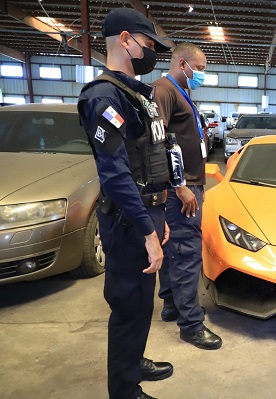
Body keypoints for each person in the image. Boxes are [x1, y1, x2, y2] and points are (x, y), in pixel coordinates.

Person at [78, 7, 175, 399]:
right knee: (128, 306)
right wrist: (146, 228)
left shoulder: (136, 93)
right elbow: (116, 175)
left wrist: (158, 215)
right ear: (125, 40)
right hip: (127, 222)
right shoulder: (104, 96)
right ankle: (124, 388)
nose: (151, 51)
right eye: (147, 44)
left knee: (141, 302)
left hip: (145, 213)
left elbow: (149, 157)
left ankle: (133, 361)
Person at [152, 43, 222, 350]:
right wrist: (178, 185)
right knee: (185, 254)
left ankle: (171, 304)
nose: (202, 75)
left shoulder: (180, 92)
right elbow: (158, 142)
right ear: (183, 64)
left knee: (174, 251)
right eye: (201, 69)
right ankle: (191, 324)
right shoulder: (163, 91)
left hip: (189, 185)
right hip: (180, 191)